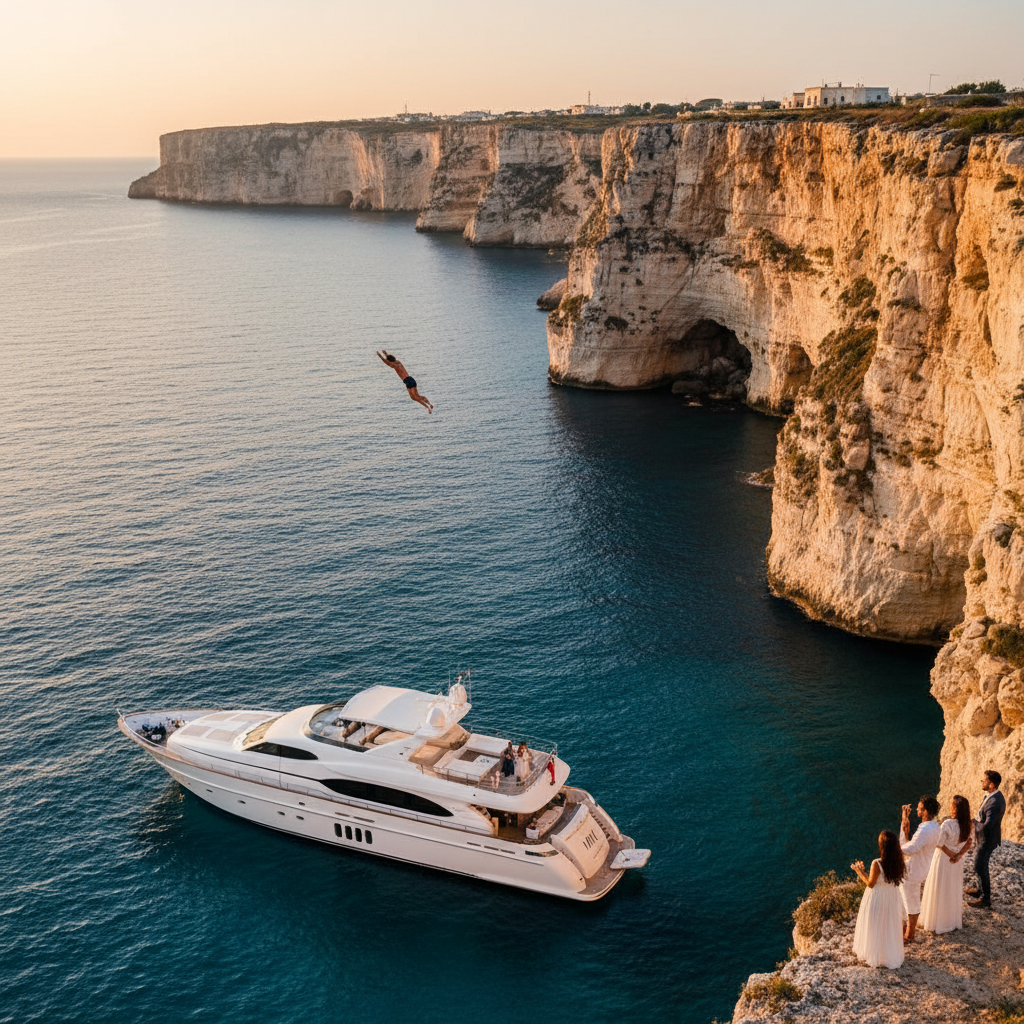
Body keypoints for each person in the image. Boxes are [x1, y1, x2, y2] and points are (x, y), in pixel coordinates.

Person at [852, 829, 908, 969]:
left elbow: (871, 884)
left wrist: (859, 871)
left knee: (875, 925)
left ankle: (875, 955)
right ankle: (888, 955)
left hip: (877, 897)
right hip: (891, 897)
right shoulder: (898, 862)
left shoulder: (877, 863)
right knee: (888, 925)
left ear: (882, 846)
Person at [919, 795, 973, 934]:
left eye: (952, 805)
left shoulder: (948, 824)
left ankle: (935, 921)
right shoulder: (968, 824)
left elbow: (939, 843)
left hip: (943, 859)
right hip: (957, 862)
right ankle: (949, 921)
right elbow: (969, 843)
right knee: (951, 889)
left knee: (939, 888)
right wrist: (958, 856)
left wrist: (951, 855)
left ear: (955, 808)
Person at [899, 795, 940, 942]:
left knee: (910, 901)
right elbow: (913, 843)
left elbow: (911, 848)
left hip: (913, 869)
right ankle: (905, 929)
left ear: (926, 811)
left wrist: (893, 850)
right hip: (922, 866)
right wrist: (904, 818)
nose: (917, 809)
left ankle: (909, 934)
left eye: (920, 808)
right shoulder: (935, 826)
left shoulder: (925, 830)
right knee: (907, 898)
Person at [966, 769, 1006, 909]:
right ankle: (980, 890)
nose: (982, 781)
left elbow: (989, 824)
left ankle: (985, 899)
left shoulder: (994, 802)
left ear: (991, 784)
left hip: (987, 839)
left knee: (979, 865)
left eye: (984, 780)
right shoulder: (993, 796)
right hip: (986, 838)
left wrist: (974, 824)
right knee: (980, 864)